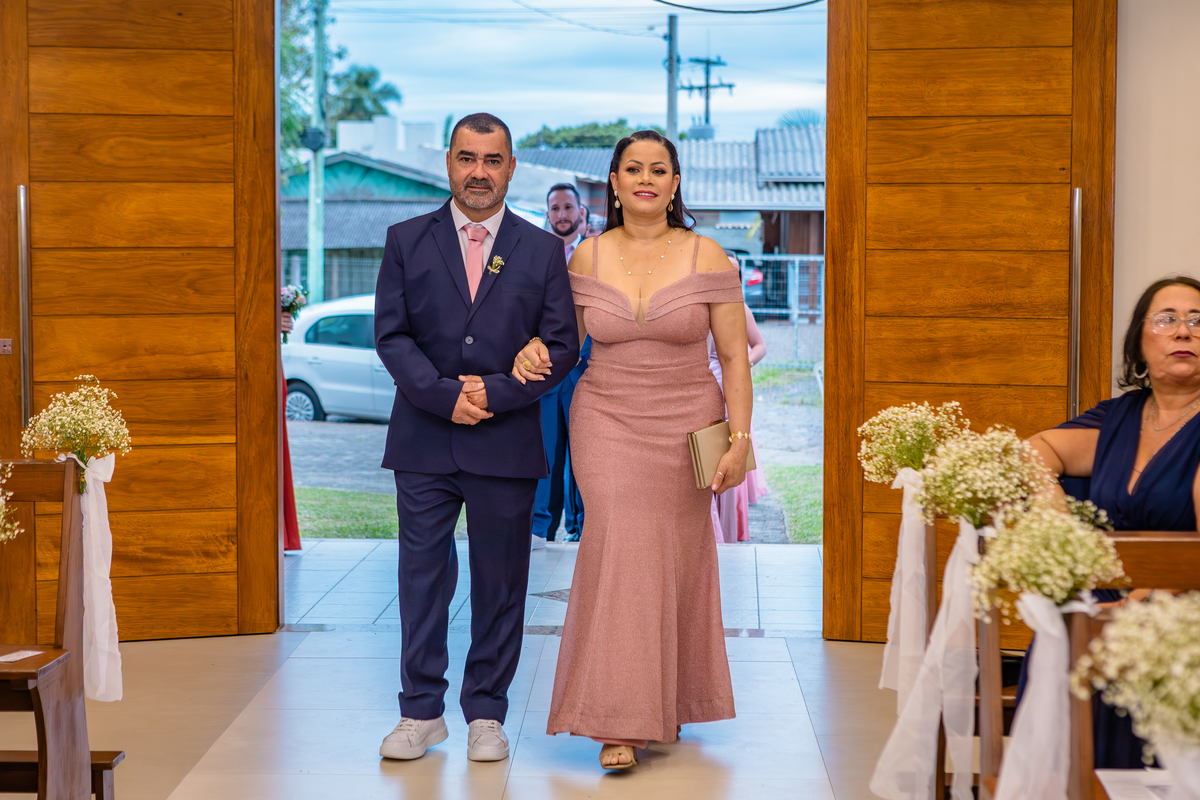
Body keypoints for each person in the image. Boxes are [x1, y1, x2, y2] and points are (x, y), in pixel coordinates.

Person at [512, 130, 752, 770]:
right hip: (607, 419)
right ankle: (618, 719)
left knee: (676, 555)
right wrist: (532, 347)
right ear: (614, 183)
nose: (646, 178)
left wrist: (739, 440)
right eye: (633, 169)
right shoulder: (585, 258)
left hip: (688, 423)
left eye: (659, 169)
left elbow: (734, 358)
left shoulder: (710, 256)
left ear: (675, 183)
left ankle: (666, 700)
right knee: (621, 545)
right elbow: (563, 345)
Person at [373, 113, 579, 763]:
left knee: (500, 582)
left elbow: (561, 345)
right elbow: (391, 336)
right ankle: (420, 712)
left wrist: (495, 392)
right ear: (449, 162)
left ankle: (486, 712)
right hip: (423, 440)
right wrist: (444, 396)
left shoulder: (540, 250)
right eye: (468, 158)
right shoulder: (406, 240)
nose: (479, 172)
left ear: (511, 168)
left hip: (506, 441)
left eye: (493, 160)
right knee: (421, 579)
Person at [1026, 275, 1200, 769]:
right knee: (1061, 632)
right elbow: (1036, 450)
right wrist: (1055, 513)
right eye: (1166, 319)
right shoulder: (1119, 417)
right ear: (1139, 342)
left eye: (1198, 321)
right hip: (1104, 601)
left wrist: (1137, 605)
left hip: (1180, 611)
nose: (1183, 331)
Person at [532, 185, 591, 548]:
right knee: (544, 454)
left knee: (584, 455)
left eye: (568, 207)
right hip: (547, 370)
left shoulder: (596, 254)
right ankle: (540, 531)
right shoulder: (536, 254)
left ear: (581, 212)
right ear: (548, 214)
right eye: (555, 208)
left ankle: (583, 530)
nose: (562, 214)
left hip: (587, 369)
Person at [709, 252, 769, 543]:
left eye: (733, 272)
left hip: (729, 382)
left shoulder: (741, 309)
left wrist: (744, 364)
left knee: (732, 443)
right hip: (705, 382)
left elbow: (759, 346)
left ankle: (730, 525)